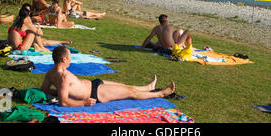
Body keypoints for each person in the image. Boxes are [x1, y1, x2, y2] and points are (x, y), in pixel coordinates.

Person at [40, 46, 175, 107]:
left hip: (94, 84)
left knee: (123, 86)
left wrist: (59, 92)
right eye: (70, 57)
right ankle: (160, 94)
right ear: (64, 59)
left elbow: (45, 90)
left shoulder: (50, 73)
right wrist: (82, 102)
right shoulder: (63, 77)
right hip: (95, 93)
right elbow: (63, 102)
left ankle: (148, 87)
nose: (71, 59)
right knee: (130, 92)